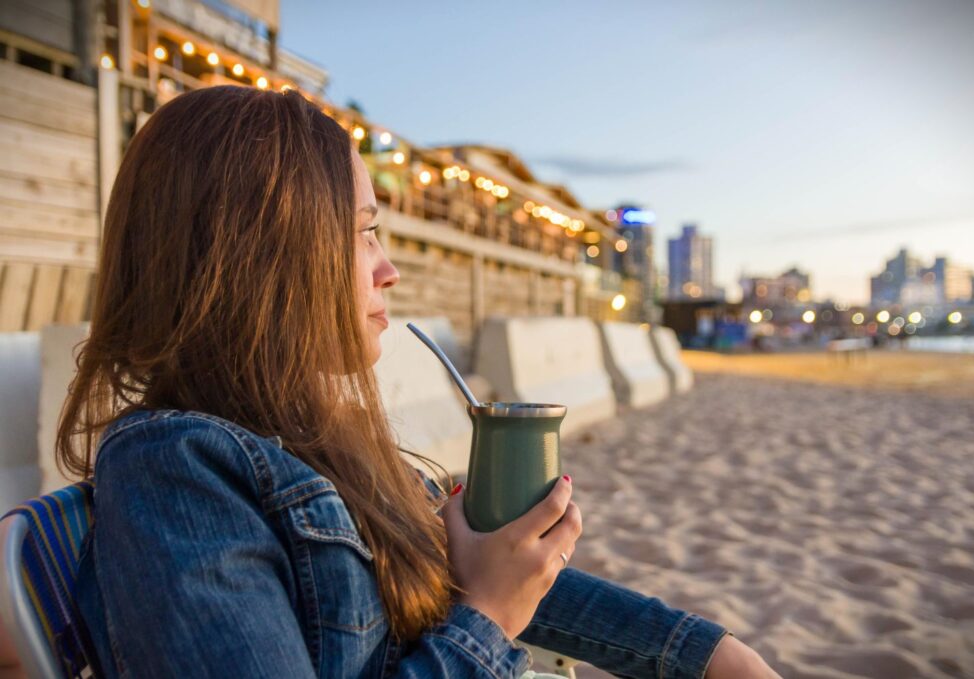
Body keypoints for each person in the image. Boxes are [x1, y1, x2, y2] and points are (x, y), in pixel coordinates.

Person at [55, 86, 780, 678]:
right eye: (361, 233)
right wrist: (490, 616)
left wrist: (705, 651)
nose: (388, 269)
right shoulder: (177, 471)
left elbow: (473, 576)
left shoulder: (313, 439)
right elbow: (483, 599)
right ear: (262, 260)